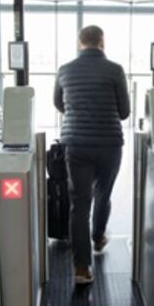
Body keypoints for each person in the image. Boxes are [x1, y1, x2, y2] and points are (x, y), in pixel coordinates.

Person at [53, 25, 130, 284]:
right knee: (103, 194)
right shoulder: (115, 70)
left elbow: (58, 103)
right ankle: (98, 237)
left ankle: (81, 268)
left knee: (79, 204)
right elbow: (124, 112)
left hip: (76, 144)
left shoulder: (65, 70)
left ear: (80, 43)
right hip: (109, 143)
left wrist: (78, 112)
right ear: (102, 42)